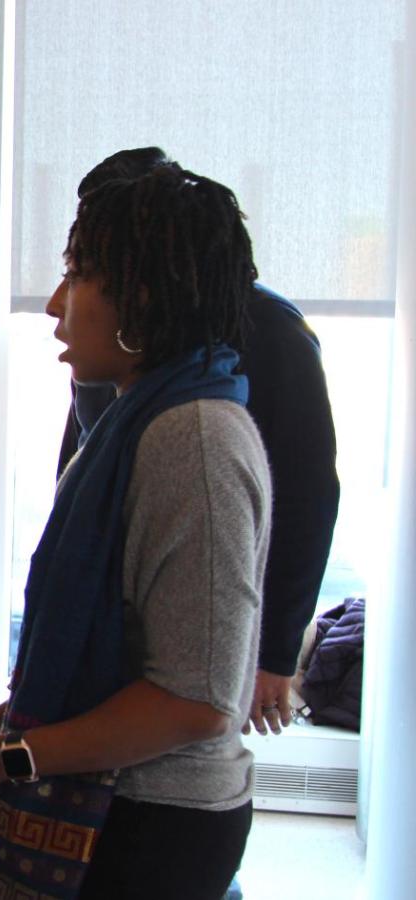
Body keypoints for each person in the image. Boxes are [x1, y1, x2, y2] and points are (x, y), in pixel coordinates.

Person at [0, 165, 270, 900]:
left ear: (141, 298)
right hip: (114, 807)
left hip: (153, 825)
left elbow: (197, 700)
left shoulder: (195, 440)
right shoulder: (135, 420)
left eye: (79, 276)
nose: (56, 306)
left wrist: (0, 761)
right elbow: (88, 670)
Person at [57, 147, 340, 737]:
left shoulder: (270, 337)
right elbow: (83, 449)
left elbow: (308, 499)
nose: (65, 294)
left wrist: (276, 654)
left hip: (206, 631)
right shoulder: (117, 333)